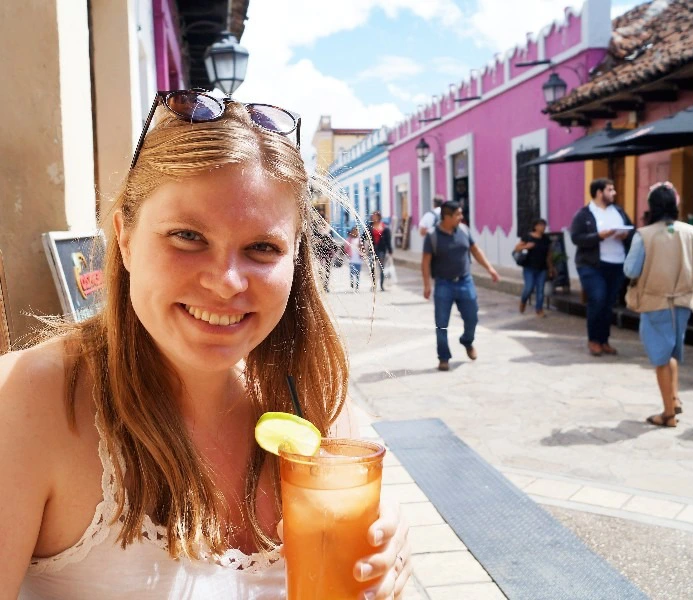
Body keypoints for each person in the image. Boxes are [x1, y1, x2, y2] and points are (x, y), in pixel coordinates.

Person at [1, 90, 411, 598]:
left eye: (262, 247)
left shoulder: (318, 401)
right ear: (124, 237)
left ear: (296, 260)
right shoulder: (25, 402)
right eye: (187, 237)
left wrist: (386, 554)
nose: (226, 282)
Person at [623, 183, 693, 427]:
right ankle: (675, 397)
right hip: (682, 300)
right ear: (675, 204)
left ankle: (668, 414)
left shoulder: (643, 235)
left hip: (654, 300)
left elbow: (630, 269)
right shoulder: (691, 232)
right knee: (671, 351)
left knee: (660, 357)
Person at [421, 201, 500, 371]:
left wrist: (490, 269)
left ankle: (467, 341)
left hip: (465, 282)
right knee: (441, 323)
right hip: (443, 285)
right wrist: (427, 284)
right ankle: (443, 357)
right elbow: (425, 261)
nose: (461, 217)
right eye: (457, 214)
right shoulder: (432, 235)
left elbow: (476, 251)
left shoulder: (464, 230)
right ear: (446, 217)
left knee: (472, 318)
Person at [570, 178, 634, 356]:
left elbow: (633, 231)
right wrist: (599, 236)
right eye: (610, 190)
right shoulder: (584, 214)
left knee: (608, 303)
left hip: (616, 264)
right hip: (592, 265)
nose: (614, 193)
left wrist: (625, 235)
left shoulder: (618, 211)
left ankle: (604, 340)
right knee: (597, 298)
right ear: (599, 192)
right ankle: (594, 340)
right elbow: (576, 238)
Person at [513, 218, 555, 316]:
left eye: (544, 225)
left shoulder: (546, 239)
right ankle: (523, 301)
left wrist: (551, 268)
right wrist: (526, 247)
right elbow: (517, 248)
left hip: (542, 268)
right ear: (535, 227)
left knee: (540, 290)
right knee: (529, 287)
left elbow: (549, 255)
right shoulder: (528, 237)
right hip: (529, 267)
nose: (543, 227)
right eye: (541, 225)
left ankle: (539, 310)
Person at [367, 211, 393, 291]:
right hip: (372, 250)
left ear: (379, 217)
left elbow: (388, 240)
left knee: (381, 268)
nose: (373, 217)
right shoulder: (369, 227)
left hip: (382, 250)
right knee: (372, 268)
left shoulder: (384, 227)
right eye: (373, 216)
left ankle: (382, 285)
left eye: (375, 216)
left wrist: (390, 250)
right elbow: (363, 236)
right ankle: (374, 285)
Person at [345, 226, 364, 291]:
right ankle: (352, 283)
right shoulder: (349, 239)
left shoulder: (360, 239)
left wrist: (362, 251)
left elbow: (363, 248)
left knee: (358, 273)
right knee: (352, 272)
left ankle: (357, 285)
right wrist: (347, 253)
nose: (355, 232)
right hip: (352, 258)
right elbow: (346, 247)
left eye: (356, 231)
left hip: (358, 258)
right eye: (354, 231)